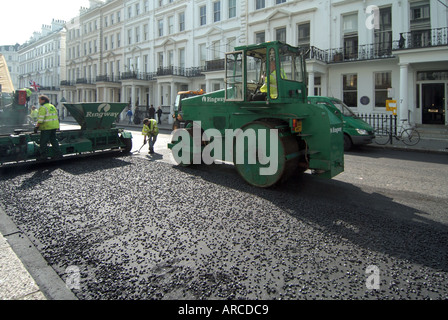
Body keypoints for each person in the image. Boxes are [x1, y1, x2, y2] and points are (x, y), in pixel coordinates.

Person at [35, 95, 62, 160]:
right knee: (54, 140)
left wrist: (36, 127)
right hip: (54, 126)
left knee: (43, 142)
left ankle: (43, 156)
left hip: (46, 127)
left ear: (43, 100)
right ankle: (58, 154)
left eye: (40, 100)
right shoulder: (52, 106)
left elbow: (41, 119)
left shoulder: (43, 107)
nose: (39, 102)